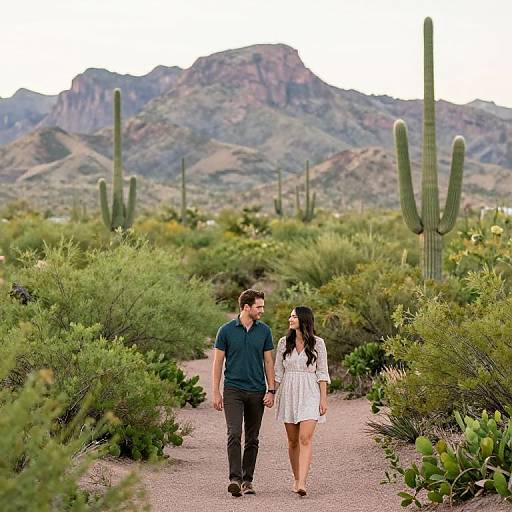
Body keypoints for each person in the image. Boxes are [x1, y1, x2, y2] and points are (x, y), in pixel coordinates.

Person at [212, 289, 275, 497]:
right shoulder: (226, 330)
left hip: (257, 391)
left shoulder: (264, 331)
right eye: (259, 307)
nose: (262, 310)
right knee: (234, 433)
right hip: (233, 390)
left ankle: (248, 481)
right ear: (246, 307)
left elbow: (268, 361)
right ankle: (235, 479)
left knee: (252, 438)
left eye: (262, 306)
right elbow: (218, 362)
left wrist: (271, 390)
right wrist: (215, 392)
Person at [274, 306, 330, 497]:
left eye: (294, 316)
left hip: (310, 392)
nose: (290, 319)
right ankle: (296, 477)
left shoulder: (318, 343)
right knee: (292, 441)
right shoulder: (284, 343)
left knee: (305, 438)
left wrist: (323, 399)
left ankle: (303, 483)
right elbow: (278, 373)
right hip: (289, 391)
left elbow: (322, 372)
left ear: (304, 320)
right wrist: (271, 393)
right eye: (290, 316)